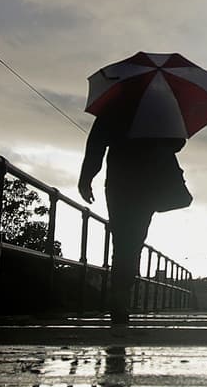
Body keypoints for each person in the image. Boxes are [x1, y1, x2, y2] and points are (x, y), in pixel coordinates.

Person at [78, 109, 189, 325]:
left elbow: (96, 145)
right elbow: (177, 143)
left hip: (119, 180)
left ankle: (119, 293)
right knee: (135, 238)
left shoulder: (114, 107)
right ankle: (122, 291)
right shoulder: (162, 107)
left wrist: (86, 178)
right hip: (149, 182)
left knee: (121, 238)